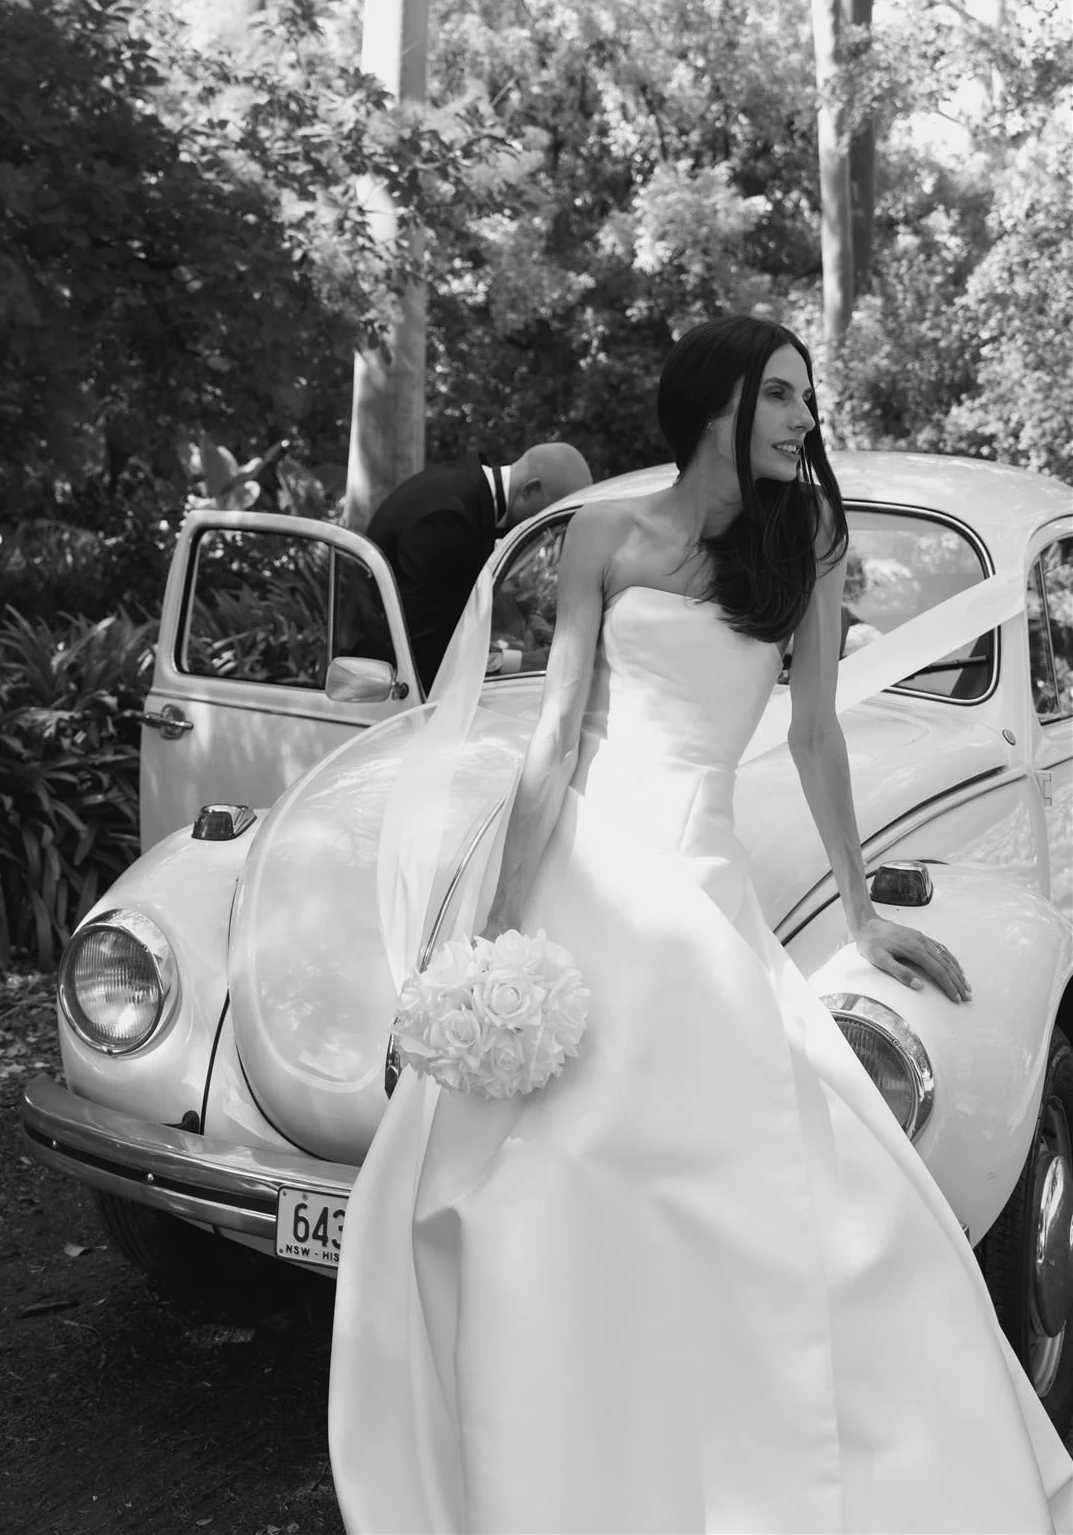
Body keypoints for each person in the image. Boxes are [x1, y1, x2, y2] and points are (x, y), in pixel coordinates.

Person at [329, 315, 1073, 1535]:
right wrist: (495, 932)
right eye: (781, 394)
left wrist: (861, 908)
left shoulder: (807, 540)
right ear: (715, 401)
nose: (802, 419)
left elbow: (821, 733)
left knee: (744, 1182)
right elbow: (555, 736)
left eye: (807, 399)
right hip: (585, 864)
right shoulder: (605, 534)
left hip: (698, 880)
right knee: (518, 1183)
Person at [366, 444, 593, 689]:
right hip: (382, 679)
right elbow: (432, 642)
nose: (549, 535)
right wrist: (516, 662)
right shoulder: (449, 521)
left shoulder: (464, 493)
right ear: (530, 490)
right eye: (548, 518)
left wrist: (531, 618)